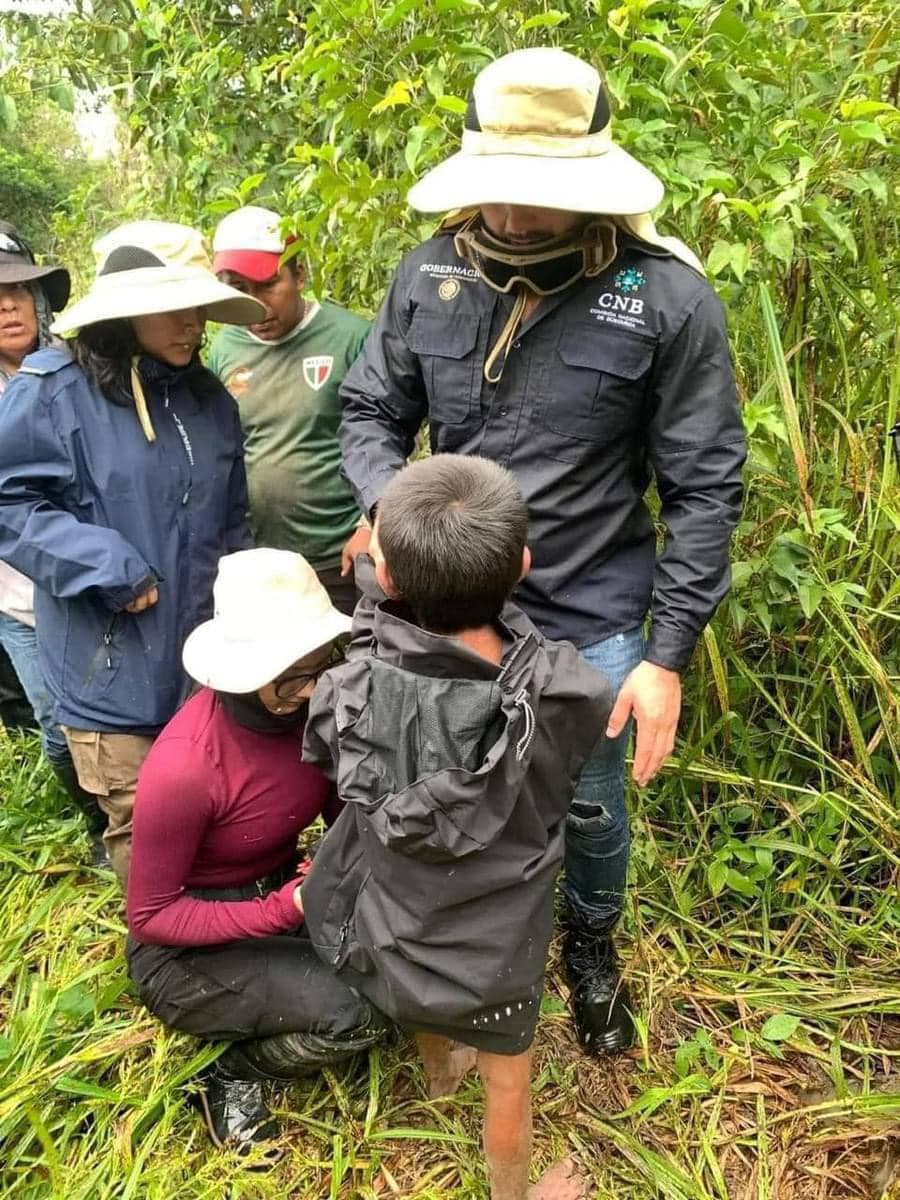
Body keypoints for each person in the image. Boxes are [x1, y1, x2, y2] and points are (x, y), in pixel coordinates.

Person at [337, 47, 747, 1056]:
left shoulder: (667, 299)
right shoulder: (426, 274)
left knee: (593, 809)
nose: (512, 220)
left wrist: (667, 659)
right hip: (434, 603)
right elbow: (369, 408)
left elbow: (704, 486)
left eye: (539, 199)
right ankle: (437, 953)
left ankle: (591, 952)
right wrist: (392, 507)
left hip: (588, 615)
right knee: (426, 777)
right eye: (498, 195)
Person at [301, 455, 612, 1200]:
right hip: (497, 943)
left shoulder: (348, 683)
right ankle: (513, 1192)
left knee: (417, 989)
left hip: (396, 921)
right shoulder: (565, 691)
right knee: (509, 1084)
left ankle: (440, 1069)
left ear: (391, 578)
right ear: (524, 566)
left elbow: (325, 754)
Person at [0, 221, 266, 884]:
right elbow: (8, 502)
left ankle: (222, 939)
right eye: (173, 309)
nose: (192, 324)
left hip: (203, 664)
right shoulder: (53, 392)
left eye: (197, 307)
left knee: (207, 813)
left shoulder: (207, 399)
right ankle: (166, 961)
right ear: (126, 313)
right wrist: (102, 562)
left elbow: (232, 521)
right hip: (107, 663)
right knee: (145, 834)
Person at [126, 547, 382, 1152]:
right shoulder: (186, 767)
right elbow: (151, 915)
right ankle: (233, 1073)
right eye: (296, 674)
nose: (316, 685)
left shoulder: (313, 713)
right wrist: (283, 912)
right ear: (246, 669)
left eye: (324, 663)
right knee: (360, 1014)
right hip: (183, 951)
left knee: (397, 970)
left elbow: (335, 809)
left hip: (274, 887)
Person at [0, 220, 109, 860]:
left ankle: (134, 816)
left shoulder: (83, 372)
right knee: (57, 729)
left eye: (18, 292)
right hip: (16, 599)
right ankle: (100, 824)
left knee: (119, 716)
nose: (8, 308)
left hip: (97, 584)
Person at [208, 206, 372, 616]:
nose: (254, 304)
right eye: (237, 287)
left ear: (299, 274)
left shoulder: (351, 338)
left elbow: (384, 434)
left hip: (341, 558)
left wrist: (371, 525)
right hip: (262, 564)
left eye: (266, 285)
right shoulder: (224, 349)